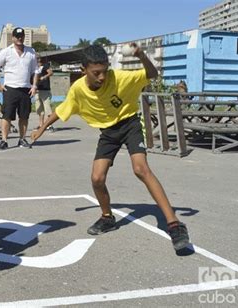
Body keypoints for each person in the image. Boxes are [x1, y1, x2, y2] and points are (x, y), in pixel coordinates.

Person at [31, 44, 190, 251]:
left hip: (129, 123)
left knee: (140, 169)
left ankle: (174, 224)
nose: (102, 77)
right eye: (96, 73)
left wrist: (141, 54)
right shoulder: (78, 89)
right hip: (108, 132)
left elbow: (151, 74)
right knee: (97, 178)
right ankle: (107, 218)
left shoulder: (118, 77)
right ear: (83, 70)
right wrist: (41, 128)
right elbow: (61, 111)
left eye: (104, 71)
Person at [0, 27, 39, 150]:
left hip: (25, 89)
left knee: (24, 116)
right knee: (7, 116)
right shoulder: (6, 51)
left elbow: (36, 71)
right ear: (12, 38)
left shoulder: (31, 52)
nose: (19, 38)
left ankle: (22, 139)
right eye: (17, 36)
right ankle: (4, 141)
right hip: (10, 89)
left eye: (21, 36)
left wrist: (34, 86)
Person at [34, 56, 54, 132]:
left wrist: (44, 77)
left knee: (47, 108)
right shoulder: (34, 67)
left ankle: (50, 125)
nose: (37, 59)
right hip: (37, 90)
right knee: (39, 109)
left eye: (38, 58)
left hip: (45, 90)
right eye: (36, 58)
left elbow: (51, 72)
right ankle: (41, 125)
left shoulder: (45, 66)